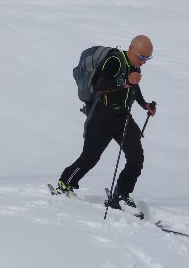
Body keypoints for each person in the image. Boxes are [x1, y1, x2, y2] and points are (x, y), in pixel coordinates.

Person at [56, 35, 157, 210]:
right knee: (90, 157)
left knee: (136, 158)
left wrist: (144, 104)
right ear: (131, 48)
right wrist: (125, 82)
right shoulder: (114, 60)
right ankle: (65, 184)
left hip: (123, 117)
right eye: (142, 57)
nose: (144, 62)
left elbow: (134, 87)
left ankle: (121, 194)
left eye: (147, 58)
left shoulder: (135, 66)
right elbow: (100, 84)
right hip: (102, 116)